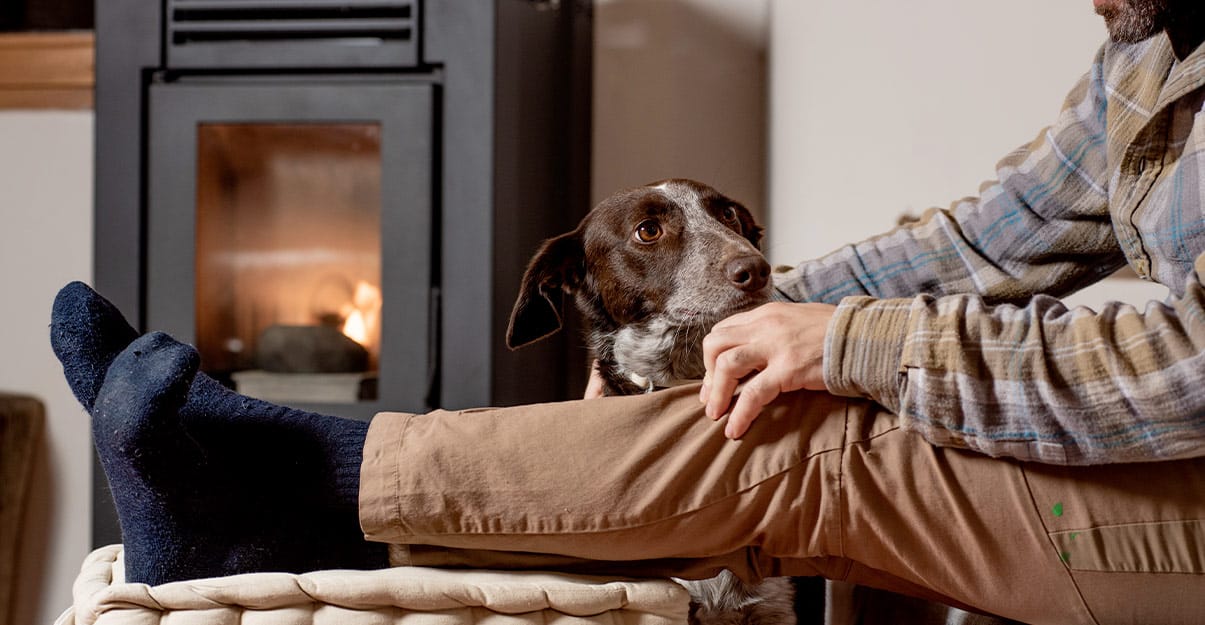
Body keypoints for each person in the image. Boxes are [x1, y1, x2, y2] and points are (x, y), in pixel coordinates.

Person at [51, 0, 1204, 623]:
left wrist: (848, 340)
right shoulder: (1142, 57)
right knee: (775, 409)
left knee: (803, 452)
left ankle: (278, 474)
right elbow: (971, 244)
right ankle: (265, 509)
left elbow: (1187, 363)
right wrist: (779, 309)